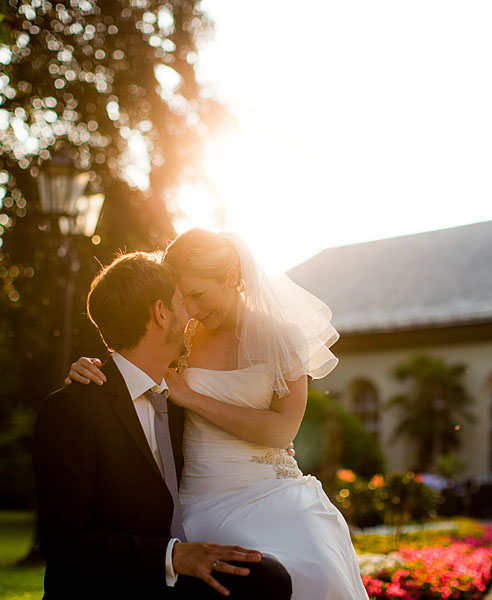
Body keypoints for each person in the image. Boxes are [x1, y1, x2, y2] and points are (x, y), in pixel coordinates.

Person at [67, 229, 368, 599]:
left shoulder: (283, 338)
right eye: (183, 298)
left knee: (319, 569)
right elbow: (133, 355)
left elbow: (281, 431)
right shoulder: (183, 338)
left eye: (198, 295)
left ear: (230, 277)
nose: (191, 310)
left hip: (272, 488)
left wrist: (192, 398)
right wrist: (90, 366)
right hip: (203, 497)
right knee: (256, 568)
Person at [33, 251, 292, 599]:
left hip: (171, 578)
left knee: (268, 578)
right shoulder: (70, 410)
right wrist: (171, 556)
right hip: (112, 586)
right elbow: (62, 543)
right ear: (160, 312)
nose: (193, 314)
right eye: (182, 302)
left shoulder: (177, 400)